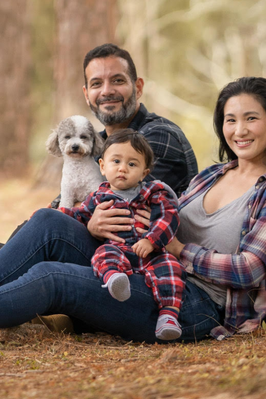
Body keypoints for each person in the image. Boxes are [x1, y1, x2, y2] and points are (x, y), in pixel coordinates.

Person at [0, 77, 266, 351]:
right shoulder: (213, 175)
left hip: (194, 306)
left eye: (251, 119)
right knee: (48, 223)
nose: (239, 130)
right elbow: (155, 206)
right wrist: (97, 222)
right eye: (231, 120)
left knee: (54, 277)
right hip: (139, 263)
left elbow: (250, 269)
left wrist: (176, 247)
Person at [0, 43, 199, 322]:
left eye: (117, 81)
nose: (106, 91)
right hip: (90, 245)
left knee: (33, 237)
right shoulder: (97, 144)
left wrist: (82, 221)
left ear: (138, 86)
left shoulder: (157, 136)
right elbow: (65, 206)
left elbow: (133, 219)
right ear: (86, 94)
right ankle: (22, 306)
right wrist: (66, 223)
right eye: (97, 84)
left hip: (131, 262)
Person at [60, 129, 183, 341]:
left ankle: (169, 316)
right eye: (116, 161)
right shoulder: (99, 196)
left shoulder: (153, 193)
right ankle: (115, 279)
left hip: (150, 252)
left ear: (144, 173)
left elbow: (169, 217)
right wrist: (58, 213)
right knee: (102, 255)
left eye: (132, 164)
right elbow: (79, 215)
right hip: (118, 249)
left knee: (171, 269)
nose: (122, 169)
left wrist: (151, 240)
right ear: (102, 166)